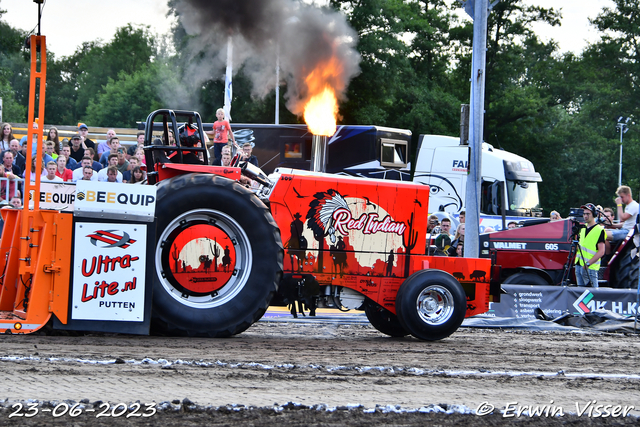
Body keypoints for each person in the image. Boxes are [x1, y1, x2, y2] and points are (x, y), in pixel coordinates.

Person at [575, 203, 606, 288]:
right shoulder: (582, 228)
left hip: (590, 267)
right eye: (584, 214)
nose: (585, 216)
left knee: (592, 295)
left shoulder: (599, 230)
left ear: (594, 215)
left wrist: (588, 264)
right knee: (581, 295)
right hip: (579, 265)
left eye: (588, 214)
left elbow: (601, 251)